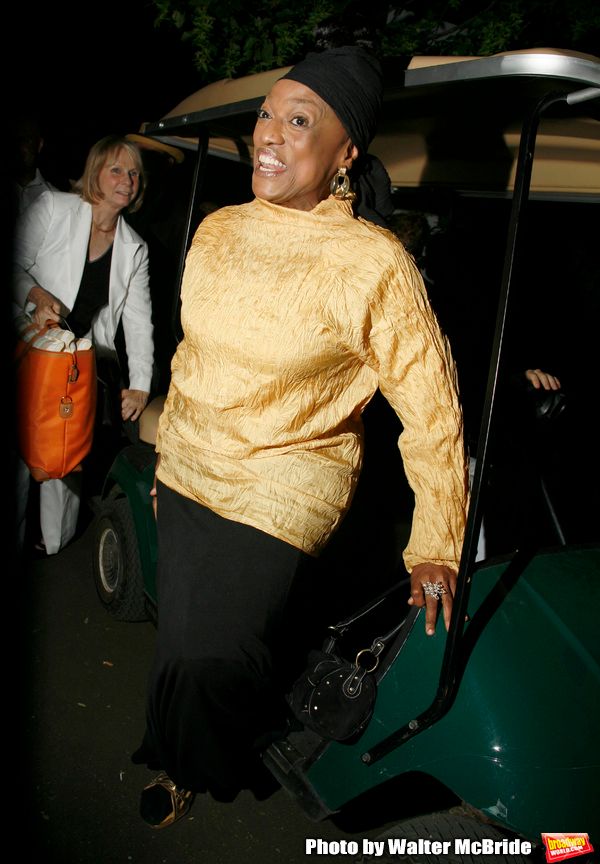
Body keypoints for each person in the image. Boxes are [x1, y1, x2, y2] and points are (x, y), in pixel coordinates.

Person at [132, 46, 469, 828]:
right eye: (265, 115)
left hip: (281, 492)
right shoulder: (218, 230)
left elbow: (434, 413)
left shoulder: (374, 265)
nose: (270, 134)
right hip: (189, 470)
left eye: (298, 119)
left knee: (209, 658)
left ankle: (201, 757)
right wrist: (167, 456)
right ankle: (174, 753)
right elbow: (193, 359)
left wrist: (437, 542)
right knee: (179, 632)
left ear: (345, 153)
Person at [13, 134, 154, 555]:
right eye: (116, 169)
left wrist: (141, 383)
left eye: (133, 173)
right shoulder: (54, 208)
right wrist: (36, 297)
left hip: (77, 363)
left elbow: (140, 321)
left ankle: (54, 542)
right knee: (22, 445)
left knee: (66, 449)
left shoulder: (135, 249)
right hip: (31, 351)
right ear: (95, 172)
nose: (126, 180)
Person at [11, 114, 58, 215]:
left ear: (39, 144)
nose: (21, 147)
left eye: (28, 139)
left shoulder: (55, 197)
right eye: (16, 139)